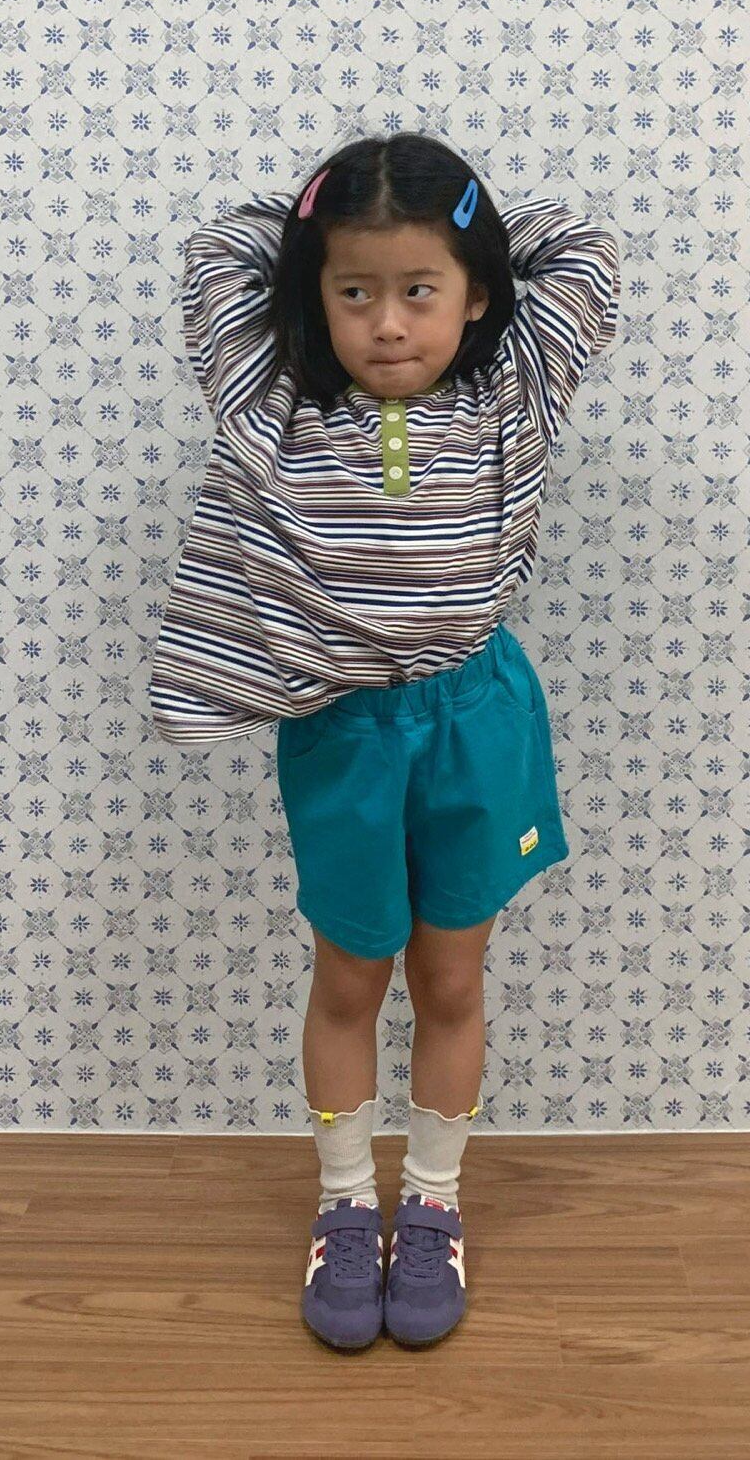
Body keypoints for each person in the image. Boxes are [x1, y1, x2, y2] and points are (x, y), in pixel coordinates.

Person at [149, 130, 620, 1350]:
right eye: (353, 291)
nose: (388, 324)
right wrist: (324, 209)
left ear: (477, 295)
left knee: (450, 979)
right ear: (312, 294)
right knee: (351, 975)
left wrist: (459, 219)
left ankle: (436, 1204)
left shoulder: (515, 395)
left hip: (475, 722)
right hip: (342, 735)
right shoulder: (266, 402)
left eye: (420, 289)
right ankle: (347, 1204)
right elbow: (218, 251)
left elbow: (580, 246)